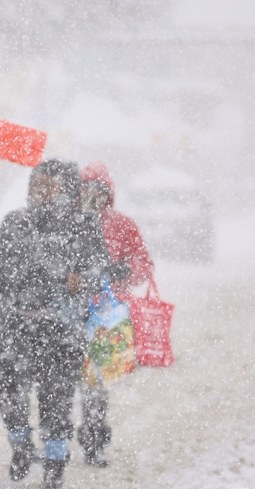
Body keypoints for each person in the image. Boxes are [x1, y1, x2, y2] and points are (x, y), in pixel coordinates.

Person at [0, 159, 109, 489]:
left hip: (61, 328)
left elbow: (97, 269)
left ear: (66, 189)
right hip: (14, 323)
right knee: (9, 393)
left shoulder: (82, 225)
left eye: (49, 185)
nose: (39, 191)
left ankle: (56, 460)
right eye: (35, 184)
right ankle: (20, 447)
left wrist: (82, 280)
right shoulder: (15, 222)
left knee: (55, 398)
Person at [76, 161, 154, 467]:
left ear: (106, 192)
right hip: (74, 311)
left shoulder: (122, 225)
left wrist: (124, 270)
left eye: (96, 190)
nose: (89, 196)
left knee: (96, 378)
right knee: (74, 378)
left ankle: (94, 433)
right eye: (83, 190)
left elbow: (143, 263)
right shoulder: (69, 224)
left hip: (108, 316)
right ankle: (72, 433)